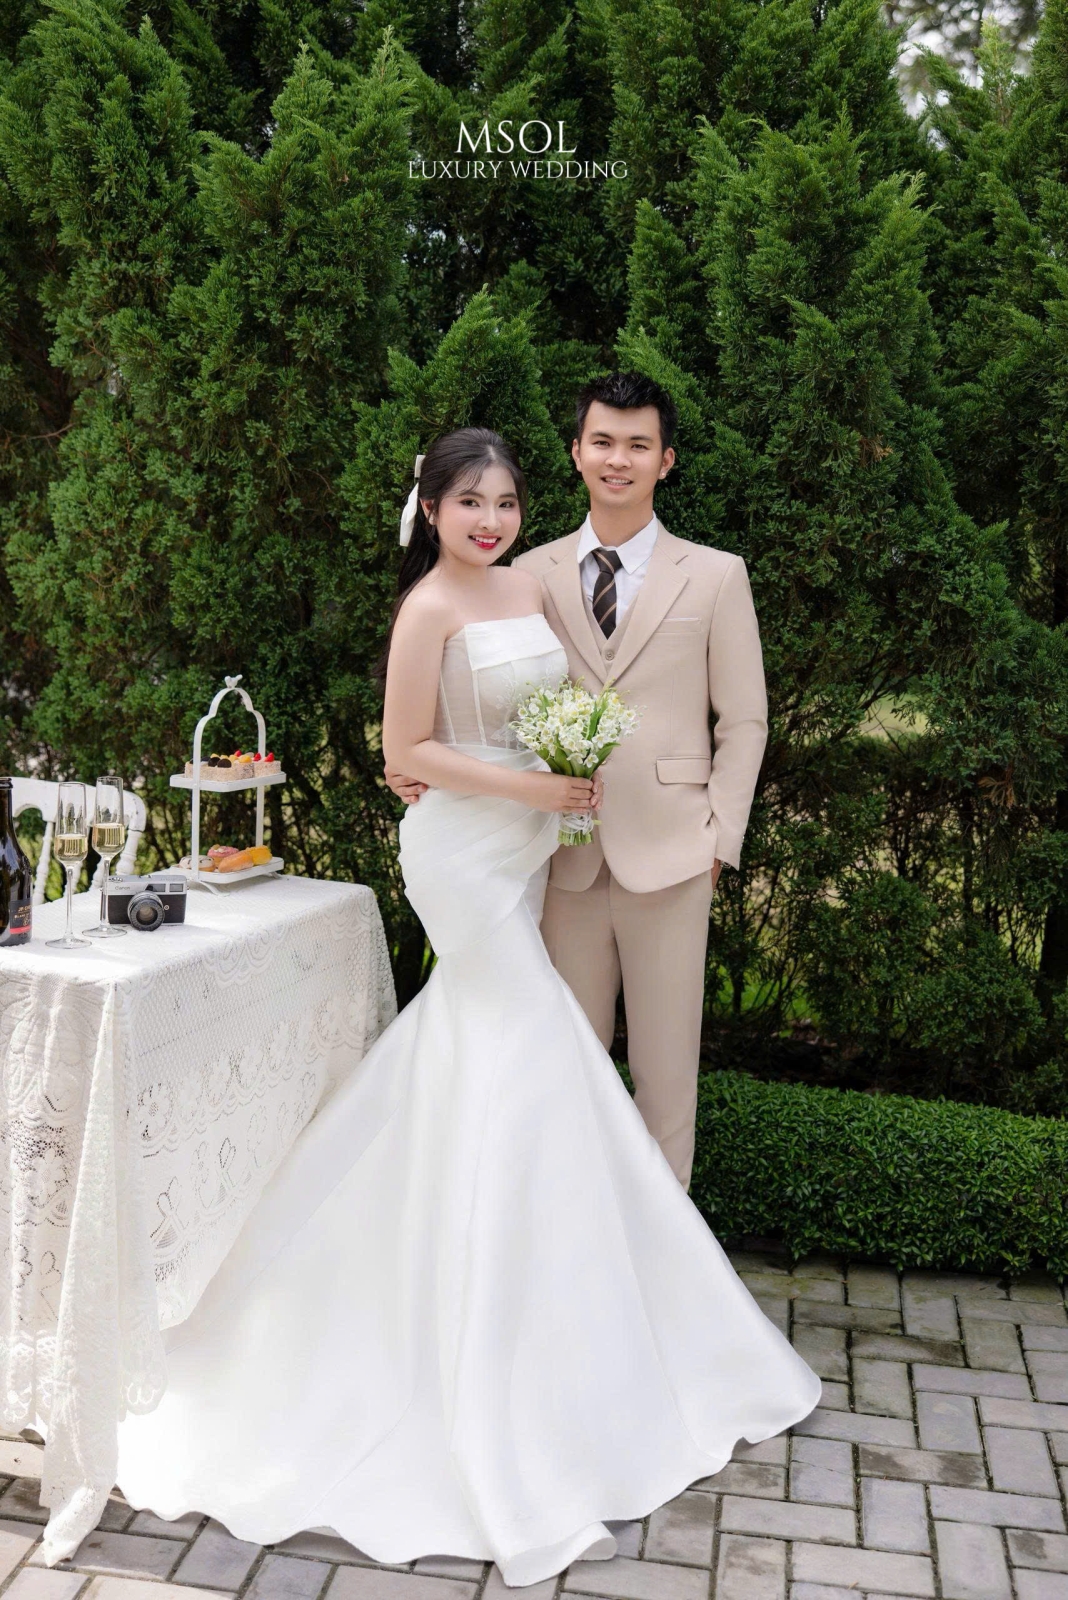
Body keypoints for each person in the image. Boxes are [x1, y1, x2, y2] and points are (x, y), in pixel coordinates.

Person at [113, 428, 819, 1588]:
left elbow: (565, 700)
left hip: (528, 843)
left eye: (504, 502)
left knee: (493, 1051)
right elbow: (409, 749)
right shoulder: (428, 608)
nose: (490, 520)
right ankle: (477, 1346)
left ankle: (548, 1318)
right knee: (524, 1031)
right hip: (463, 852)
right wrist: (528, 784)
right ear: (431, 509)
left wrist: (562, 777)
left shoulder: (528, 586)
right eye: (470, 502)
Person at [387, 373, 767, 1192]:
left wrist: (719, 841)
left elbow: (745, 721)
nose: (618, 459)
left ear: (665, 460)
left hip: (674, 851)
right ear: (577, 453)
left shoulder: (717, 575)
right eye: (602, 442)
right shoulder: (527, 571)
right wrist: (408, 760)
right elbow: (474, 686)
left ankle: (662, 1253)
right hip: (556, 858)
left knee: (667, 1079)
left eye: (637, 445)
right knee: (565, 1070)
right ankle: (572, 1237)